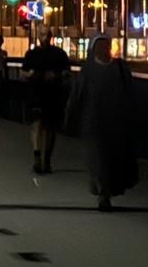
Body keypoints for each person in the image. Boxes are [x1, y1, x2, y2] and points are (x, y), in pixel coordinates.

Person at [64, 36, 139, 211]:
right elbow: (77, 94)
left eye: (106, 46)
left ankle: (106, 190)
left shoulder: (120, 68)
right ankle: (102, 192)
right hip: (93, 121)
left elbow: (130, 93)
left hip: (116, 122)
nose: (104, 49)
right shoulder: (88, 70)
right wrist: (70, 115)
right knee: (98, 157)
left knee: (113, 158)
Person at [21, 30, 72, 176]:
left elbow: (67, 72)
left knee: (50, 128)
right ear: (38, 36)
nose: (44, 37)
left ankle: (47, 160)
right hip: (36, 94)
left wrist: (57, 75)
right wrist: (29, 74)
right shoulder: (31, 54)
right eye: (42, 34)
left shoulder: (59, 54)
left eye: (46, 35)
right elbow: (23, 72)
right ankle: (37, 158)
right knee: (37, 125)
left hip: (53, 95)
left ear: (50, 37)